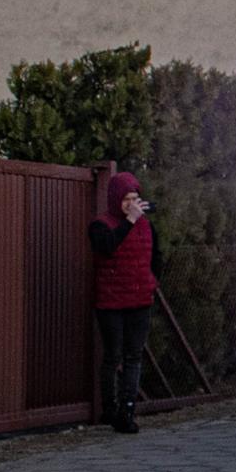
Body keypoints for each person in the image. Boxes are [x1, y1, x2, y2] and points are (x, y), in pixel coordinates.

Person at [90, 172, 157, 434]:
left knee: (133, 356)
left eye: (134, 198)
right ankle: (110, 408)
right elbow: (107, 247)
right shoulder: (100, 225)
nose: (131, 204)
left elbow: (156, 257)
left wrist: (152, 282)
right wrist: (129, 221)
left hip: (140, 301)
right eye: (126, 199)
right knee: (113, 356)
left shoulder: (147, 227)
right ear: (115, 199)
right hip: (111, 303)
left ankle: (128, 410)